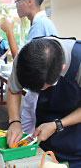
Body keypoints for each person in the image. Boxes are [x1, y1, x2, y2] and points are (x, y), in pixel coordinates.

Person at [6, 37, 81, 167]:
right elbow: (13, 90)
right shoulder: (24, 58)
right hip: (44, 135)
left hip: (76, 141)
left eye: (44, 87)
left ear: (62, 68)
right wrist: (14, 121)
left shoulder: (79, 62)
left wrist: (57, 125)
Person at [0, 0, 58, 134]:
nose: (17, 6)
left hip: (41, 94)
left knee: (31, 136)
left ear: (29, 1)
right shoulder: (40, 24)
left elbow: (21, 63)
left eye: (18, 1)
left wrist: (9, 32)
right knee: (25, 134)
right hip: (38, 91)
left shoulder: (40, 25)